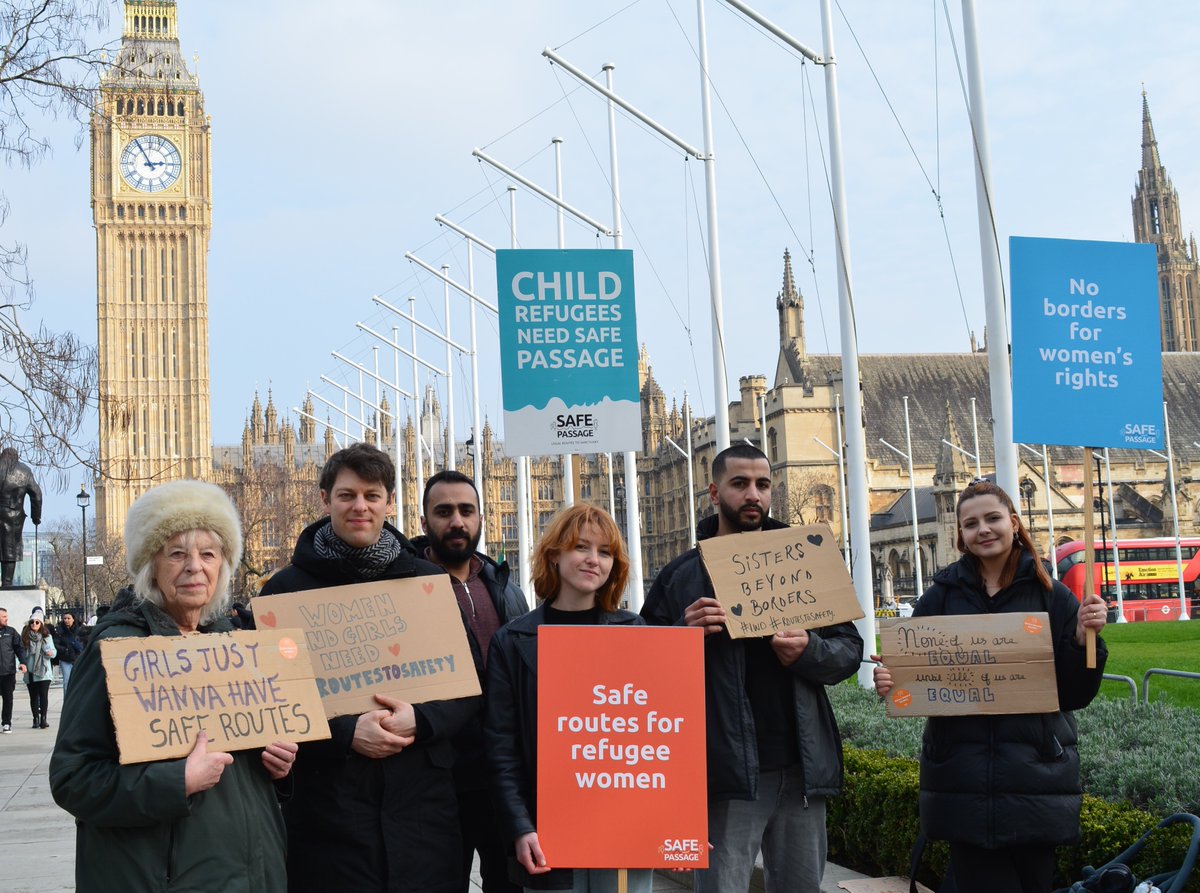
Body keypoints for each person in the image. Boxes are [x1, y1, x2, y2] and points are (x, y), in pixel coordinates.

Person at [49, 480, 297, 893]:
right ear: (151, 565)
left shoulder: (237, 647)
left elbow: (243, 779)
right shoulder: (117, 649)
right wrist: (176, 782)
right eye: (177, 553)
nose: (194, 567)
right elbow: (73, 779)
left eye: (209, 554)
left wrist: (276, 766)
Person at [640, 443, 863, 893]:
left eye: (762, 484)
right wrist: (682, 637)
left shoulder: (807, 560)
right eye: (739, 484)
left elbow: (849, 651)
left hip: (800, 770)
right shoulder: (680, 575)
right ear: (713, 491)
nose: (752, 495)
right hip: (727, 773)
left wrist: (809, 651)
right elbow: (643, 673)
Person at [260, 443, 478, 893]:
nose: (360, 506)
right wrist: (345, 734)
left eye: (372, 495)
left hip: (423, 816)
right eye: (347, 495)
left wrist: (420, 720)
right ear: (325, 500)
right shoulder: (283, 592)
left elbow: (469, 686)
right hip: (329, 819)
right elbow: (269, 703)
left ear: (389, 503)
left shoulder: (427, 583)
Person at [872, 478, 1109, 893]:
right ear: (960, 535)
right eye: (971, 523)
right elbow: (908, 675)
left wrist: (1082, 641)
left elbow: (1076, 695)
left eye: (993, 518)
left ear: (1014, 524)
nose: (983, 529)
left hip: (1037, 780)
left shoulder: (1052, 596)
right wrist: (890, 678)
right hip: (962, 782)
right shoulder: (941, 596)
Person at [485, 503, 651, 893]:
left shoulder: (636, 632)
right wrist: (520, 827)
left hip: (624, 828)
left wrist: (677, 817)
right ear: (554, 555)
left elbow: (661, 735)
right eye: (581, 547)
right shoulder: (513, 641)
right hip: (550, 829)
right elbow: (500, 748)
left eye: (605, 552)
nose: (594, 560)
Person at [412, 469, 528, 893]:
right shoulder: (404, 586)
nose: (456, 521)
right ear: (424, 521)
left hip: (500, 775)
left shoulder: (504, 586)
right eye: (443, 512)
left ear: (481, 517)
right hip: (436, 777)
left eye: (466, 510)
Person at [0, 448, 41, 588]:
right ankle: (7, 583)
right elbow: (37, 494)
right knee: (10, 548)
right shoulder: (24, 470)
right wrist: (36, 517)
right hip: (13, 515)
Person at [22, 607, 55, 728]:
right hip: (30, 671)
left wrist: (51, 653)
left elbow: (53, 651)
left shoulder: (47, 637)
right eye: (32, 622)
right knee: (33, 696)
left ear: (41, 623)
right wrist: (20, 664)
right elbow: (21, 653)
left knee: (44, 695)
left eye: (37, 622)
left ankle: (43, 719)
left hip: (44, 670)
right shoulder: (25, 637)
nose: (34, 624)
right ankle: (35, 718)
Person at [0, 606, 27, 733]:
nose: (6, 619)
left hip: (8, 671)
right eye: (4, 616)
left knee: (8, 697)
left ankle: (6, 722)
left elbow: (19, 648)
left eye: (6, 616)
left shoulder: (11, 632)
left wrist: (23, 662)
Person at [55, 611, 84, 693]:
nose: (66, 620)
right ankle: (67, 703)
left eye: (68, 618)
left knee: (79, 681)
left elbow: (85, 642)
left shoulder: (80, 629)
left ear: (73, 619)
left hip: (78, 658)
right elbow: (56, 644)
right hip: (65, 659)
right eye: (65, 618)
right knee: (66, 682)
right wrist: (65, 650)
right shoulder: (59, 631)